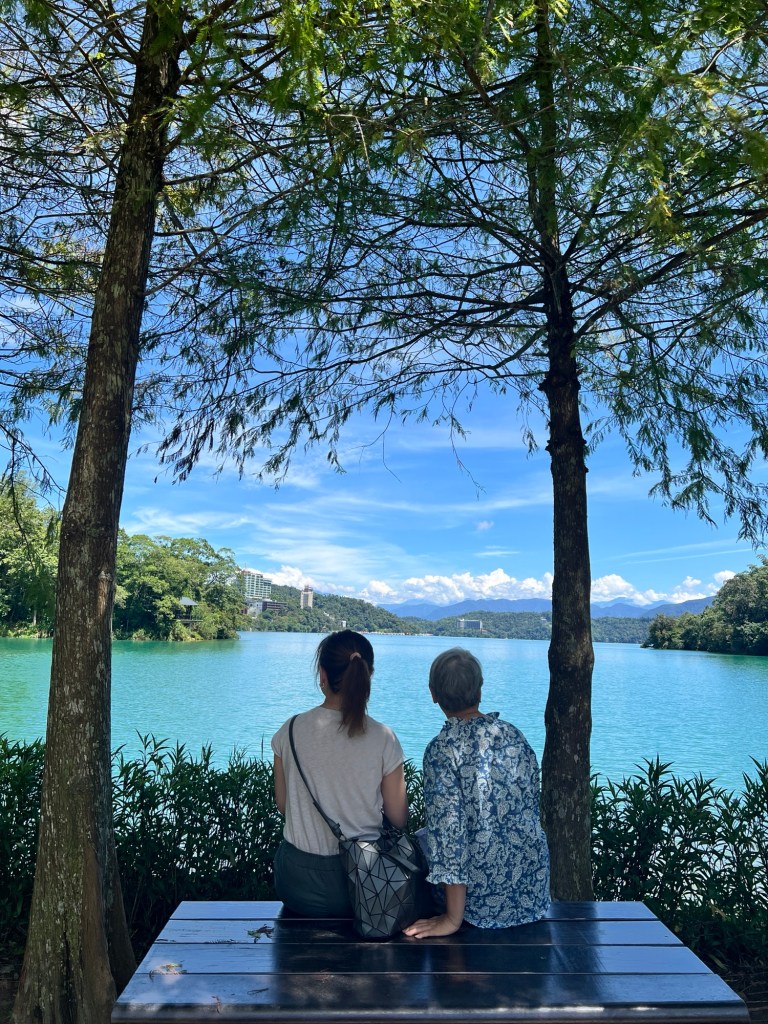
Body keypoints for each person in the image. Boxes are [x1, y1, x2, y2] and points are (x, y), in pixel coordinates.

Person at [404, 647, 550, 938]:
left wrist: (451, 919)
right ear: (479, 691)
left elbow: (450, 835)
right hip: (533, 896)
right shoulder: (513, 735)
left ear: (433, 694)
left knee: (418, 844)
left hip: (479, 908)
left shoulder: (442, 750)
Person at [271, 629, 408, 916]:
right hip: (364, 885)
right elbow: (398, 818)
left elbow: (283, 806)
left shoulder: (290, 730)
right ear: (368, 675)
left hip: (297, 884)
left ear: (322, 675)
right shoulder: (384, 738)